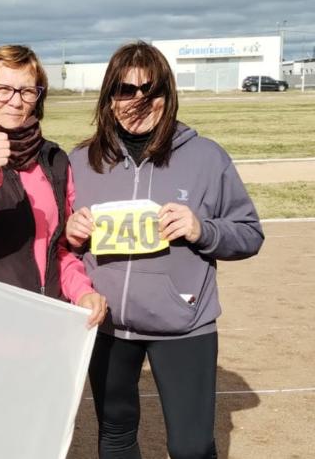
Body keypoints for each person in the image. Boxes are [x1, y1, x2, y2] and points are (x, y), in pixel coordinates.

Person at [65, 41, 264, 458]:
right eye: (125, 89)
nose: (138, 100)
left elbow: (249, 234)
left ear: (167, 95)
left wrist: (201, 229)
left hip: (183, 324)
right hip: (108, 325)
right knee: (115, 437)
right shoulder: (82, 160)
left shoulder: (206, 157)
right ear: (109, 98)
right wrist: (70, 232)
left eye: (150, 89)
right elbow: (56, 243)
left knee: (192, 447)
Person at [0, 45, 107, 326]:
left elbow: (58, 249)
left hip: (47, 319)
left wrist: (82, 292)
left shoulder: (54, 159)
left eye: (27, 91)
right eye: (3, 89)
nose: (15, 101)